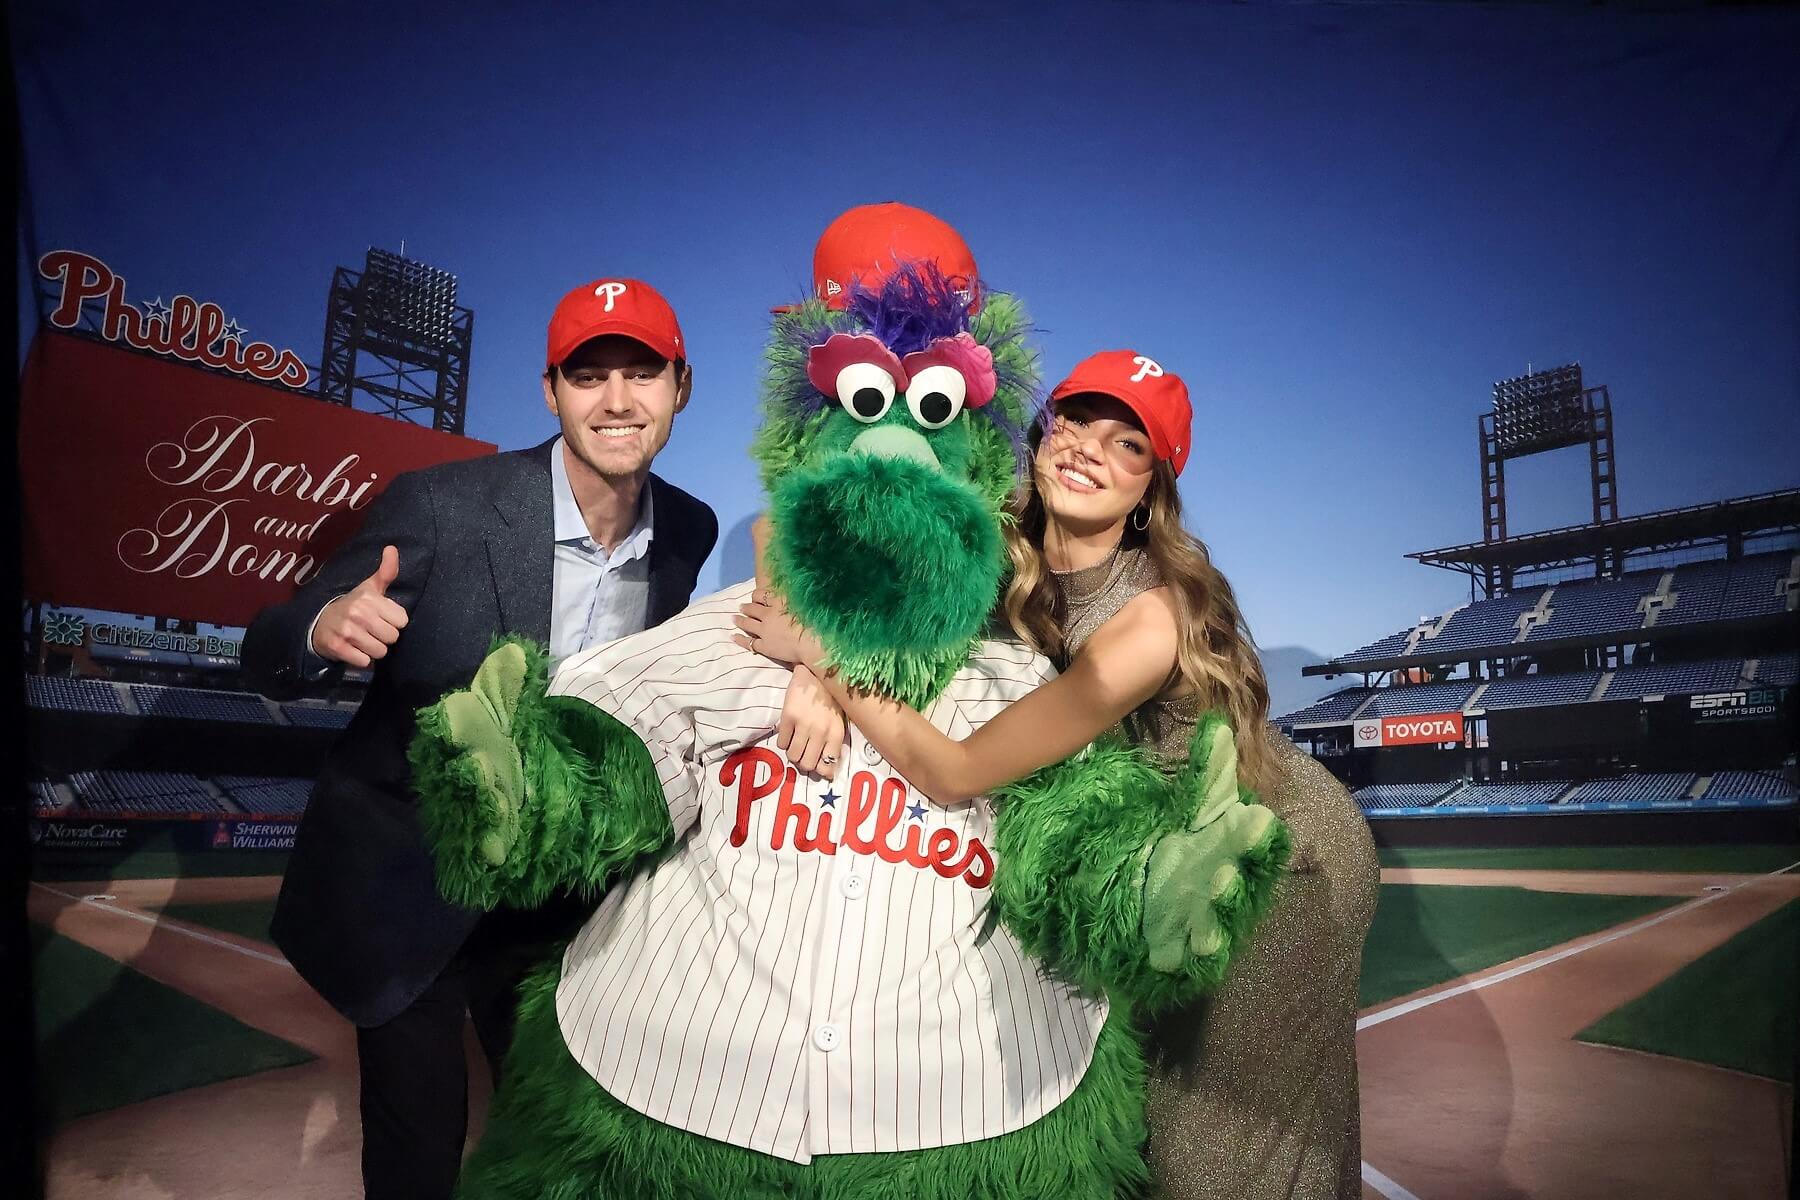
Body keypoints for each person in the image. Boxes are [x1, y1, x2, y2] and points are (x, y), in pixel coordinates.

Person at [736, 349, 1380, 1199]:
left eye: (1128, 445)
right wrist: (803, 682)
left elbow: (962, 771)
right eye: (1075, 420)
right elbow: (779, 527)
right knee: (1125, 1125)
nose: (1087, 449)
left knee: (1218, 1155)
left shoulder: (1156, 612)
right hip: (1138, 865)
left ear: (1152, 486)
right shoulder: (1002, 544)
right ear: (1040, 435)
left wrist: (827, 663)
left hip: (1261, 858)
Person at [240, 277, 718, 1200]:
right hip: (412, 870)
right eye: (589, 377)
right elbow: (269, 642)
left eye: (641, 374)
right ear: (551, 393)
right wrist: (319, 626)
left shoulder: (686, 531)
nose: (617, 401)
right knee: (419, 1146)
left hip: (551, 892)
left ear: (679, 387)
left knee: (553, 1130)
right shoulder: (439, 504)